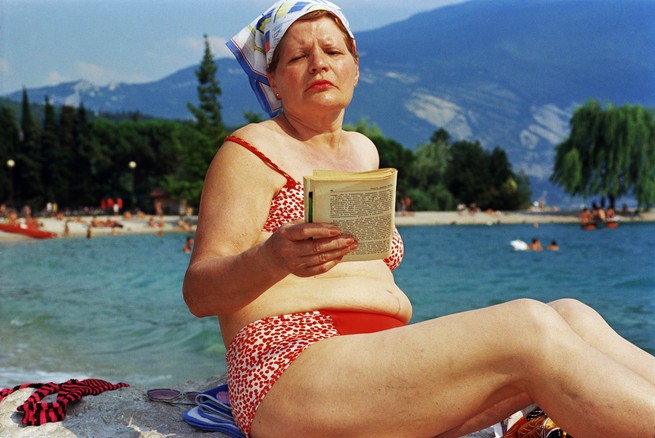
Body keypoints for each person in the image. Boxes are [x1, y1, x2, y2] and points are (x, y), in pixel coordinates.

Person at [182, 2, 655, 437]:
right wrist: (272, 257)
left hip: (373, 369)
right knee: (527, 325)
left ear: (355, 66)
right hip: (292, 367)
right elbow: (200, 292)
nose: (318, 63)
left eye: (332, 50)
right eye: (297, 57)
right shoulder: (250, 151)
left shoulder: (363, 151)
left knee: (572, 315)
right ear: (274, 80)